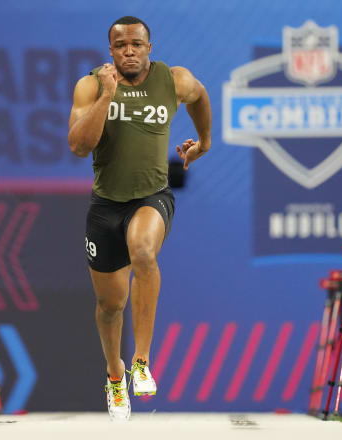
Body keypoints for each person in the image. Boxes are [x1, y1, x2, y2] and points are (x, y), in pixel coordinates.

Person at [67, 16, 212, 420]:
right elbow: (79, 146)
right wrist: (106, 96)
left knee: (144, 252)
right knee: (110, 305)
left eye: (136, 44)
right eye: (120, 45)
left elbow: (199, 96)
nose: (128, 51)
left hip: (152, 195)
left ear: (149, 47)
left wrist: (203, 142)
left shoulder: (173, 79)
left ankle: (141, 362)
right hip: (105, 205)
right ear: (110, 51)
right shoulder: (92, 84)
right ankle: (115, 374)